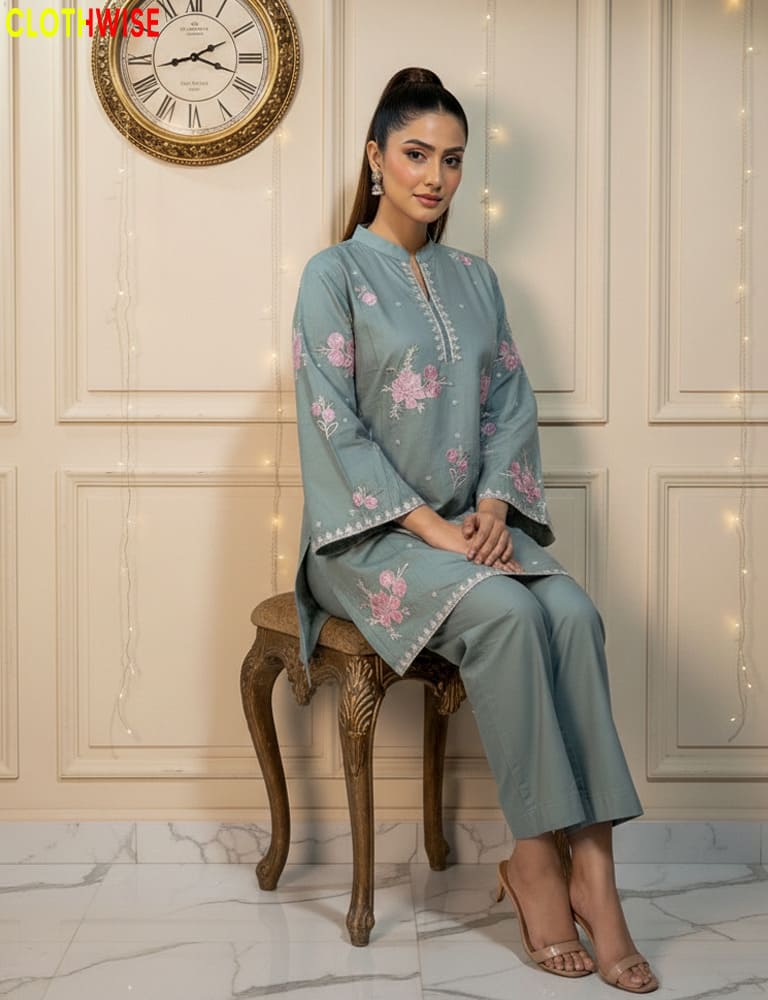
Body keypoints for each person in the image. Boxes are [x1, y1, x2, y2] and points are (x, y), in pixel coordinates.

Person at [291, 66, 658, 993]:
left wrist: (491, 508)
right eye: (417, 154)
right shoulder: (331, 276)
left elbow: (509, 407)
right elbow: (333, 422)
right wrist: (428, 527)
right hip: (368, 540)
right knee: (506, 616)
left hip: (471, 530)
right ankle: (535, 867)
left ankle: (598, 878)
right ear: (376, 159)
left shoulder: (477, 280)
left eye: (452, 160)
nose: (436, 176)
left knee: (571, 614)